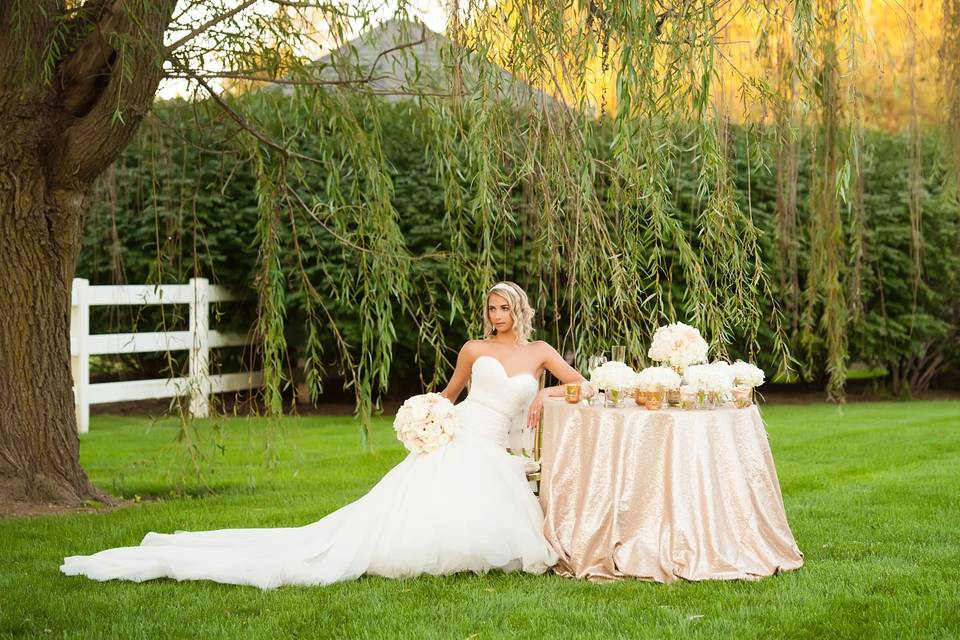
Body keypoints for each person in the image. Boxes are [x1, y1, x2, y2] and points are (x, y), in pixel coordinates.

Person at [61, 281, 585, 589]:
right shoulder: (474, 349)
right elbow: (448, 396)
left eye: (501, 308)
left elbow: (579, 383)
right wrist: (429, 417)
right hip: (463, 435)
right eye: (489, 309)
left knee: (492, 509)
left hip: (495, 449)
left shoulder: (539, 353)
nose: (494, 316)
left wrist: (544, 394)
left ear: (517, 311)